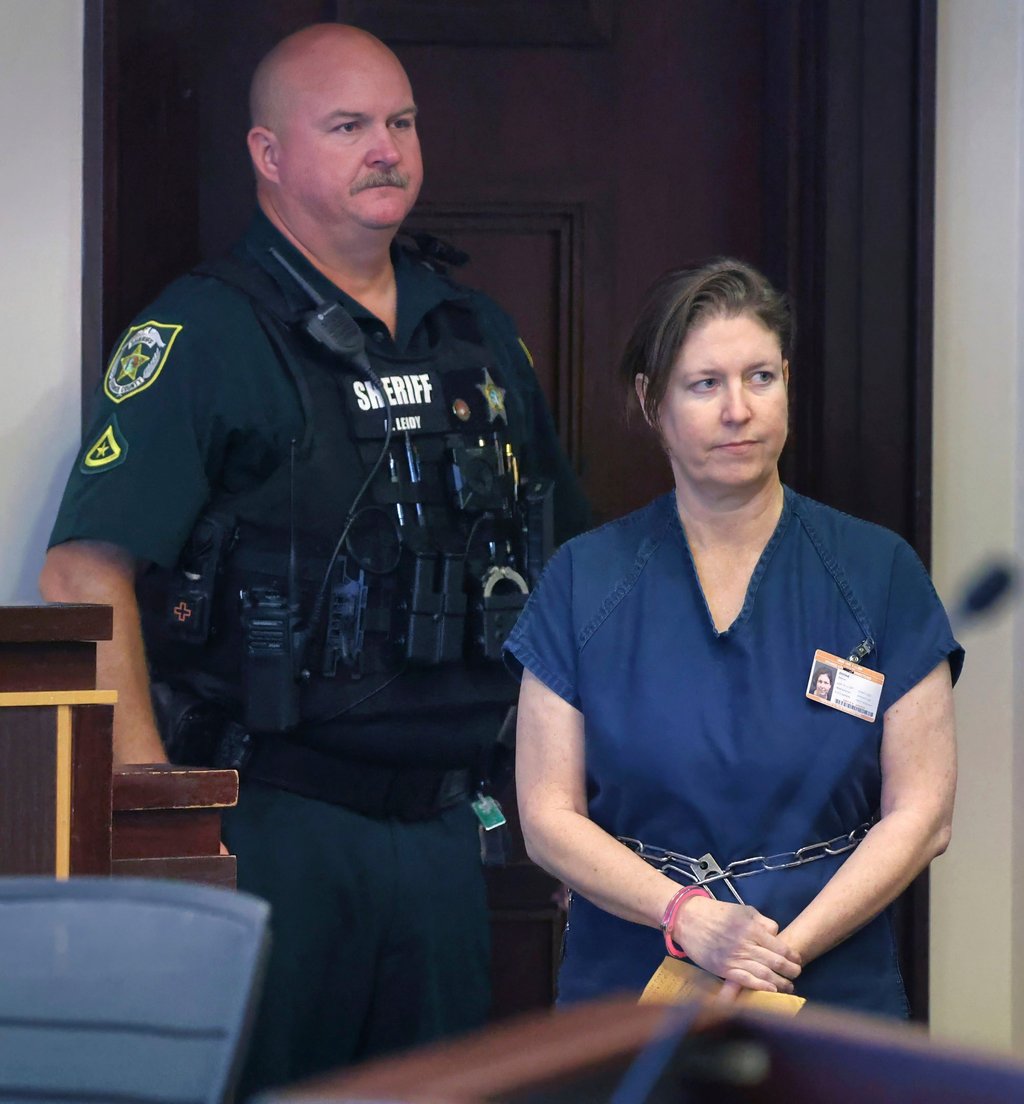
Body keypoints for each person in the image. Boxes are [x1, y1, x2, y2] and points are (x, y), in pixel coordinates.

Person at [39, 22, 587, 1094]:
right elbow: (82, 574)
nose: (386, 147)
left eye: (400, 122)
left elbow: (569, 570)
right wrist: (160, 821)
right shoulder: (204, 336)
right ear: (268, 153)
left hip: (442, 831)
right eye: (348, 126)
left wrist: (579, 797)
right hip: (270, 825)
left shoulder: (473, 333)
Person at [505, 258, 961, 1017]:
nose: (738, 410)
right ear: (652, 402)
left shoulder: (877, 571)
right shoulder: (584, 579)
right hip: (633, 979)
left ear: (786, 380)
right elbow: (547, 819)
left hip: (829, 980)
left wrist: (776, 953)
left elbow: (923, 815)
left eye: (760, 378)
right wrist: (689, 919)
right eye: (704, 384)